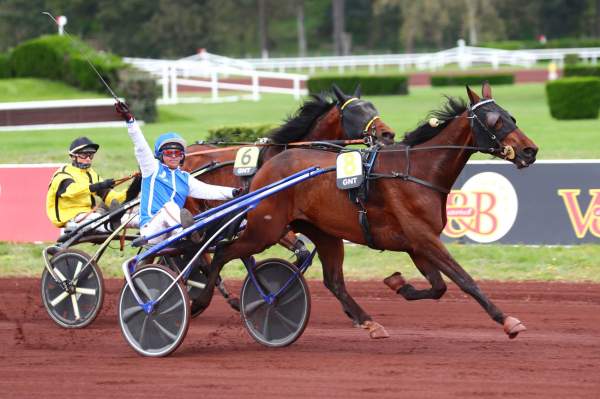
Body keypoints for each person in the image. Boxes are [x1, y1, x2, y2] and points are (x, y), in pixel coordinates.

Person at [115, 102, 240, 244]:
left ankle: (190, 233)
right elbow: (141, 146)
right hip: (151, 231)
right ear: (160, 155)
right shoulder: (152, 168)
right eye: (169, 153)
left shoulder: (185, 178)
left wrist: (234, 192)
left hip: (170, 231)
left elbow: (209, 191)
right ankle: (188, 233)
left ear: (182, 156)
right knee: (171, 206)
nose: (174, 156)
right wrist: (130, 121)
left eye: (178, 153)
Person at [46, 136, 141, 231]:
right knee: (100, 217)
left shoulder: (91, 174)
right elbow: (72, 191)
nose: (88, 159)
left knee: (133, 218)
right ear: (73, 156)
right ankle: (111, 224)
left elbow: (113, 199)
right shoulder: (62, 174)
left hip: (90, 216)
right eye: (84, 155)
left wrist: (134, 187)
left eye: (91, 155)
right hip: (71, 219)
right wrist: (98, 186)